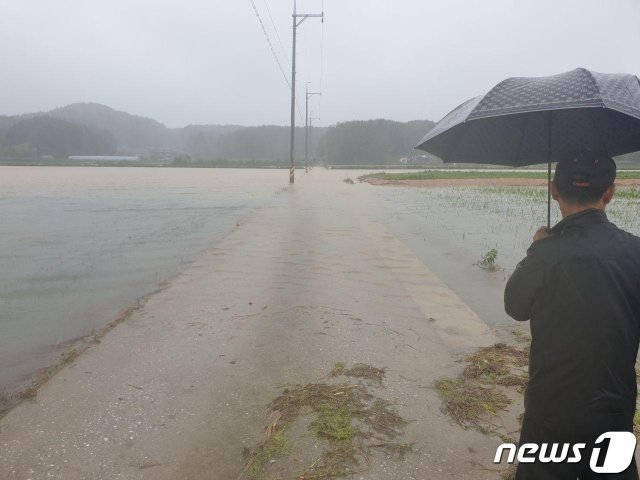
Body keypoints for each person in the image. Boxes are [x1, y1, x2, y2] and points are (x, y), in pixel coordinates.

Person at [504, 150, 640, 479]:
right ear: (610, 192)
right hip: (614, 406)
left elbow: (515, 307)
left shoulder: (546, 252)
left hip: (550, 406)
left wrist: (537, 249)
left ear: (554, 190)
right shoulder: (636, 251)